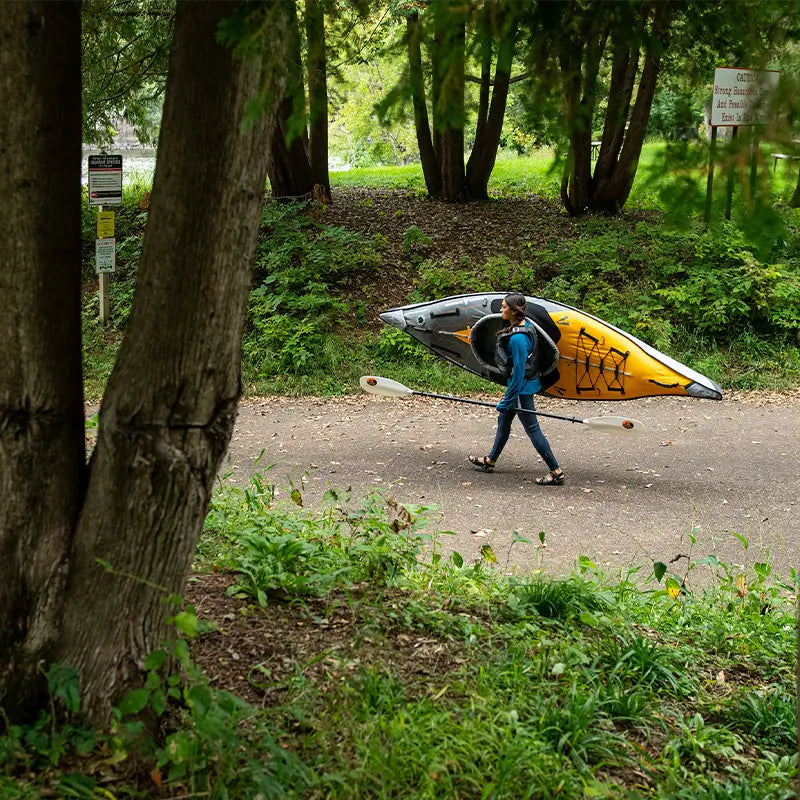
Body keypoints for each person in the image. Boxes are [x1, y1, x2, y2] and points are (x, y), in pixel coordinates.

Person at [468, 292, 565, 485]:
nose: (501, 309)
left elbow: (519, 372)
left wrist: (508, 400)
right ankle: (491, 460)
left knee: (532, 428)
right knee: (503, 421)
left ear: (514, 311)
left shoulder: (518, 340)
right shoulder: (524, 324)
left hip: (521, 388)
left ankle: (556, 471)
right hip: (520, 386)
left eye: (504, 307)